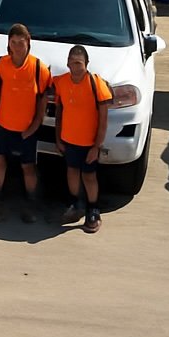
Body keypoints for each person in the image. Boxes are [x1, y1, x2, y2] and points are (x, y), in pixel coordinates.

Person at [0, 23, 53, 224]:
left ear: (28, 42)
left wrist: (34, 126)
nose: (16, 46)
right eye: (13, 42)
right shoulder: (0, 64)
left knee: (28, 167)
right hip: (3, 126)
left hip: (26, 130)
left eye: (20, 42)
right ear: (8, 44)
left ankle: (30, 204)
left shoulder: (38, 68)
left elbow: (42, 100)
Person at [52, 45, 113, 234]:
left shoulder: (96, 84)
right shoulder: (61, 82)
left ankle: (93, 211)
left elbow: (103, 120)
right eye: (72, 62)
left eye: (79, 63)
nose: (75, 66)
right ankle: (74, 204)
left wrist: (97, 146)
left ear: (86, 64)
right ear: (67, 63)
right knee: (71, 171)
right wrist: (58, 137)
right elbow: (59, 112)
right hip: (69, 140)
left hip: (89, 143)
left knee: (89, 176)